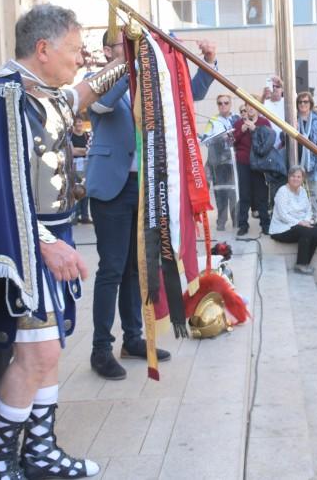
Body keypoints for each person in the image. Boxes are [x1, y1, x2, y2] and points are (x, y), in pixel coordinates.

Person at [0, 3, 130, 479]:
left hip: (42, 243)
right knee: (38, 353)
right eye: (74, 49)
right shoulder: (3, 98)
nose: (81, 58)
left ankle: (38, 450)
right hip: (21, 249)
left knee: (48, 350)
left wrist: (127, 63)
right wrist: (46, 244)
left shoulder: (36, 91)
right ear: (43, 48)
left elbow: (78, 96)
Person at [85, 33, 216, 380]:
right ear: (108, 51)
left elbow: (188, 94)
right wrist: (129, 67)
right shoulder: (96, 79)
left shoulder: (150, 81)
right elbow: (101, 105)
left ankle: (133, 338)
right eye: (123, 45)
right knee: (111, 268)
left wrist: (206, 63)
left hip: (144, 187)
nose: (132, 49)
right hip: (111, 186)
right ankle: (101, 347)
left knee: (136, 268)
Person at [269, 166, 317, 274]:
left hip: (299, 226)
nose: (296, 179)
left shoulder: (302, 191)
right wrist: (300, 223)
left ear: (302, 179)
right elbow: (283, 215)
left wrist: (306, 221)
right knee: (305, 231)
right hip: (282, 229)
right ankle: (300, 264)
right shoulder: (282, 192)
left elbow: (308, 209)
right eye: (293, 176)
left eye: (298, 177)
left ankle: (306, 263)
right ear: (288, 177)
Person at [201, 94, 239, 231]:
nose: (223, 105)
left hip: (234, 162)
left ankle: (236, 221)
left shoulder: (237, 119)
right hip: (219, 162)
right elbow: (206, 140)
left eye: (226, 103)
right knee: (220, 192)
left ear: (230, 104)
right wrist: (219, 138)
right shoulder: (213, 120)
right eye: (220, 103)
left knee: (234, 192)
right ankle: (221, 221)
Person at [234, 101, 272, 236]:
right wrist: (241, 130)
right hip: (243, 162)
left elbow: (269, 141)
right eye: (248, 105)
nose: (250, 108)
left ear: (258, 108)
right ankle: (243, 225)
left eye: (253, 105)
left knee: (261, 194)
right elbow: (232, 141)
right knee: (244, 194)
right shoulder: (239, 123)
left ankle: (265, 224)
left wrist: (255, 129)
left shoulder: (264, 122)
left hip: (260, 163)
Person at [294, 91, 317, 184]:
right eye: (300, 102)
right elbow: (284, 139)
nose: (302, 104)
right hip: (296, 162)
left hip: (314, 164)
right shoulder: (293, 119)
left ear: (310, 104)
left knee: (312, 190)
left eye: (305, 101)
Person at [70, 117, 90, 224]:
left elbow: (90, 149)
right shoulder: (70, 136)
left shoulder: (87, 135)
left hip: (86, 165)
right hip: (74, 166)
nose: (79, 124)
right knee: (75, 190)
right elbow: (73, 152)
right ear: (74, 124)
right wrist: (84, 150)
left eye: (80, 121)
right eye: (77, 122)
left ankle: (85, 216)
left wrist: (79, 150)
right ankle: (75, 216)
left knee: (85, 190)